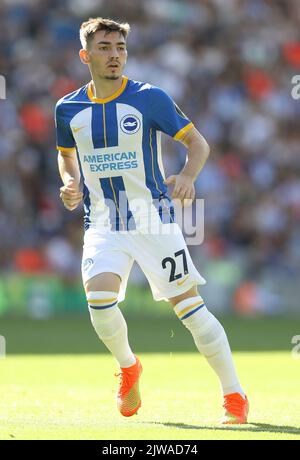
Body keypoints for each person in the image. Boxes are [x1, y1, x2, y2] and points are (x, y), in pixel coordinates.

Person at [55, 17, 249, 424]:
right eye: (105, 47)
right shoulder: (68, 108)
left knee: (191, 311)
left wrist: (189, 175)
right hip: (104, 222)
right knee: (99, 302)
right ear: (85, 55)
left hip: (153, 220)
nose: (115, 55)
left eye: (121, 48)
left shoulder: (149, 98)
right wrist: (70, 182)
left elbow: (197, 142)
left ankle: (234, 394)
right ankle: (129, 367)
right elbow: (65, 153)